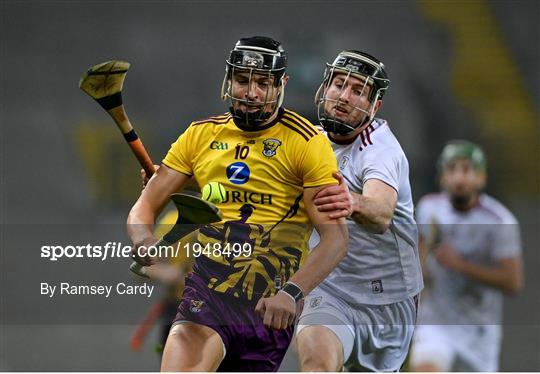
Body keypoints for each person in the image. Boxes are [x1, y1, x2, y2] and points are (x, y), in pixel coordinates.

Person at [127, 36, 348, 372]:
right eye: (242, 81)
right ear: (228, 80)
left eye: (263, 83)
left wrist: (292, 292)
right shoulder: (199, 135)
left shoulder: (308, 143)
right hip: (207, 292)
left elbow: (335, 240)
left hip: (267, 305)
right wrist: (143, 239)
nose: (251, 92)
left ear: (281, 85)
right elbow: (145, 205)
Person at [295, 50, 423, 371]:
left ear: (374, 106)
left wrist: (352, 201)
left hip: (388, 304)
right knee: (317, 363)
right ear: (325, 88)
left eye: (358, 91)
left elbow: (380, 212)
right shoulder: (311, 143)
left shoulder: (379, 148)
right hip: (331, 290)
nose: (344, 97)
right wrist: (179, 180)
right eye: (339, 85)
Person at [409, 140, 523, 372]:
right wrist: (419, 276)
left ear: (481, 178)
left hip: (478, 331)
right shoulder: (429, 207)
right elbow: (421, 251)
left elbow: (513, 282)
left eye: (467, 170)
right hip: (435, 322)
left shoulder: (500, 221)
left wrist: (460, 265)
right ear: (442, 176)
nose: (459, 179)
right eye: (452, 169)